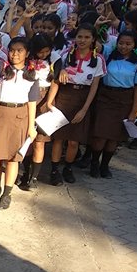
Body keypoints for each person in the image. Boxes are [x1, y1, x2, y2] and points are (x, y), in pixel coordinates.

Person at [45, 24, 104, 185]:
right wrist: (50, 102)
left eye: (86, 37)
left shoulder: (98, 59)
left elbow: (94, 87)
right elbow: (56, 79)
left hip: (82, 99)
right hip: (64, 96)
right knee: (59, 138)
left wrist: (84, 109)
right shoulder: (65, 55)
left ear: (93, 39)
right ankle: (54, 170)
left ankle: (68, 168)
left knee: (73, 141)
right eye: (79, 37)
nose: (82, 40)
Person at [0, 37, 39, 209]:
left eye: (20, 50)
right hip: (0, 113)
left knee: (13, 158)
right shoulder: (2, 68)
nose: (15, 53)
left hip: (19, 116)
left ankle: (7, 194)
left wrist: (31, 127)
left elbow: (32, 103)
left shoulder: (31, 75)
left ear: (27, 53)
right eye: (12, 50)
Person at [89, 32, 137, 178]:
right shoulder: (108, 54)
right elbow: (93, 44)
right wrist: (96, 27)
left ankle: (105, 165)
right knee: (100, 134)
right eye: (121, 43)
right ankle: (94, 163)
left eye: (128, 44)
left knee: (114, 136)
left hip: (125, 99)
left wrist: (134, 110)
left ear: (134, 45)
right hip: (106, 98)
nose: (124, 47)